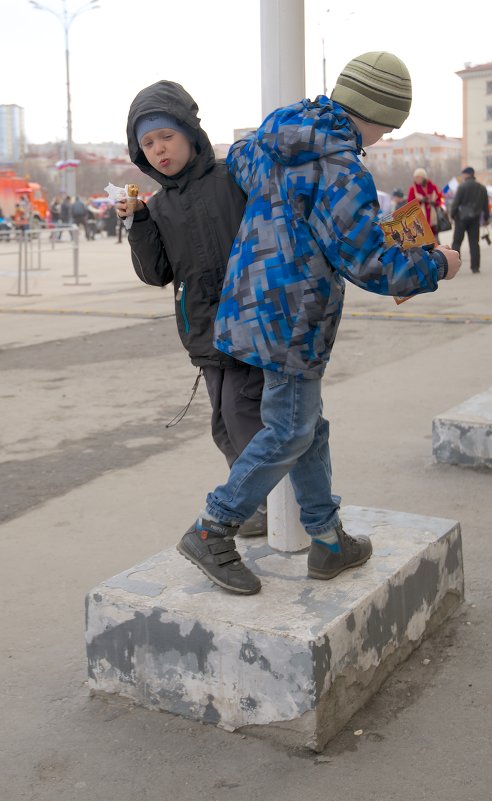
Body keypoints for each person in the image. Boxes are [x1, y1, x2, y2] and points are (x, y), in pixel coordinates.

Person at [175, 51, 462, 596]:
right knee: (289, 429)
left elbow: (237, 158)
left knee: (307, 427)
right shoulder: (340, 165)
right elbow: (369, 261)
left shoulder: (275, 138)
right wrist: (437, 264)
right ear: (380, 116)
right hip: (294, 318)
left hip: (250, 305)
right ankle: (213, 527)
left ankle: (327, 540)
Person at [115, 80, 267, 537]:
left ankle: (266, 506)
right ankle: (262, 504)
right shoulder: (157, 207)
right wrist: (138, 222)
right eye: (148, 143)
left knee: (247, 420)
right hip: (203, 334)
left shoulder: (231, 178)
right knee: (224, 426)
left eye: (166, 136)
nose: (159, 150)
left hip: (250, 323)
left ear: (189, 133)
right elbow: (155, 273)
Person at [450, 166, 490, 274]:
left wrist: (453, 215)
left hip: (461, 219)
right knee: (474, 243)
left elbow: (455, 203)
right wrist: (486, 218)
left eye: (464, 174)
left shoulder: (462, 187)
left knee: (457, 242)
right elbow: (485, 205)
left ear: (467, 174)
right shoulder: (482, 188)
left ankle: (454, 266)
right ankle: (475, 267)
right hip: (475, 219)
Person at [407, 168, 443, 241]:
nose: (416, 179)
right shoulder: (413, 189)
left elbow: (439, 199)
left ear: (423, 177)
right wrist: (420, 201)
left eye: (418, 177)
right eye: (415, 177)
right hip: (420, 218)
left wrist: (434, 202)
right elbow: (410, 204)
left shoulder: (433, 187)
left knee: (435, 239)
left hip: (433, 218)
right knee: (423, 238)